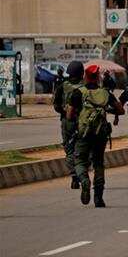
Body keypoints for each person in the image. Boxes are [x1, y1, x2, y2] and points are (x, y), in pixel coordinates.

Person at [68, 65, 124, 207]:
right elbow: (121, 110)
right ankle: (99, 198)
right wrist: (106, 109)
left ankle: (85, 181)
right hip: (100, 134)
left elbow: (69, 115)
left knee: (80, 161)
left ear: (85, 77)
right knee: (98, 163)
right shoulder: (105, 93)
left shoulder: (78, 92)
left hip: (83, 134)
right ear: (98, 77)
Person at [52, 60, 84, 189]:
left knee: (69, 149)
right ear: (82, 73)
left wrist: (65, 112)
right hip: (82, 121)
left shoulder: (62, 86)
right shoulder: (85, 87)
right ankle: (82, 174)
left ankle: (74, 177)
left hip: (67, 122)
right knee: (82, 149)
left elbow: (56, 105)